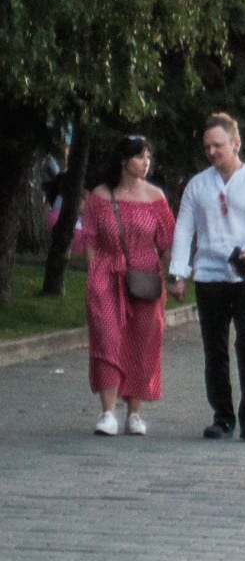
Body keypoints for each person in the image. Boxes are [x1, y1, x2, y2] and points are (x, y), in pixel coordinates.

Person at [169, 113, 245, 442]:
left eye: (218, 145)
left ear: (236, 143)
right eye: (207, 147)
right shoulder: (198, 185)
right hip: (209, 274)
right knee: (214, 347)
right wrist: (178, 272)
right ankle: (222, 415)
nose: (213, 152)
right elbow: (184, 228)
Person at [81, 135, 174, 436]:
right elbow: (91, 239)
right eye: (139, 157)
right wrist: (95, 274)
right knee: (107, 338)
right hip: (107, 275)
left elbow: (168, 242)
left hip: (145, 278)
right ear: (123, 160)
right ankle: (107, 411)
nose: (145, 163)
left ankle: (134, 413)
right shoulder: (100, 196)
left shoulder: (156, 197)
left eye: (148, 157)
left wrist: (168, 275)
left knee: (142, 341)